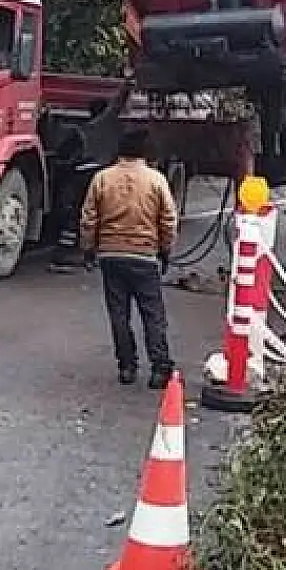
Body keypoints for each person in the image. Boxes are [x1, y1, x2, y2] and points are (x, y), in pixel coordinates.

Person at [80, 128, 177, 388]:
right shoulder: (156, 180)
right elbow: (168, 220)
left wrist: (88, 249)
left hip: (111, 255)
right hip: (144, 255)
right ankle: (160, 368)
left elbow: (89, 218)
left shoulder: (102, 178)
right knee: (152, 314)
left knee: (119, 313)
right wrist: (165, 250)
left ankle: (127, 366)